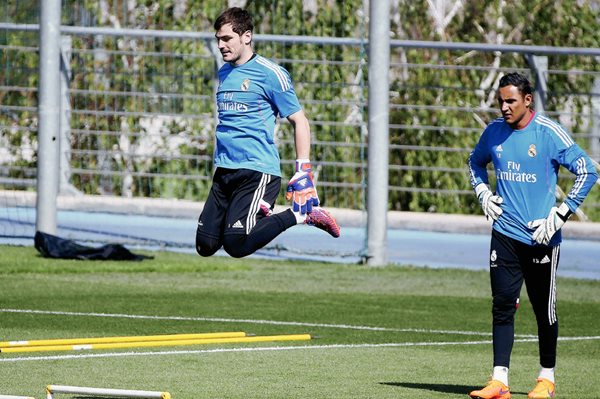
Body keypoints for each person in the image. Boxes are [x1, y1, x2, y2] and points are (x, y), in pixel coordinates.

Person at [467, 72, 598, 399]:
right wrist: (482, 190)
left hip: (541, 238)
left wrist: (561, 213)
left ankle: (546, 379)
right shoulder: (494, 132)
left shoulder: (549, 133)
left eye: (510, 100)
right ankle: (499, 381)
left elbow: (588, 170)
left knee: (544, 309)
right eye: (500, 101)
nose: (504, 107)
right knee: (501, 306)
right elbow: (475, 163)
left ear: (528, 100)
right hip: (504, 234)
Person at [196, 7, 340, 259]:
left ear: (247, 37)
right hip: (224, 170)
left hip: (257, 171)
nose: (221, 45)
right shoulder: (224, 72)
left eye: (227, 38)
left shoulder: (271, 74)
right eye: (218, 39)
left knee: (236, 245)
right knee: (205, 245)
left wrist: (303, 169)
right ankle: (256, 214)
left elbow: (300, 121)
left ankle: (301, 213)